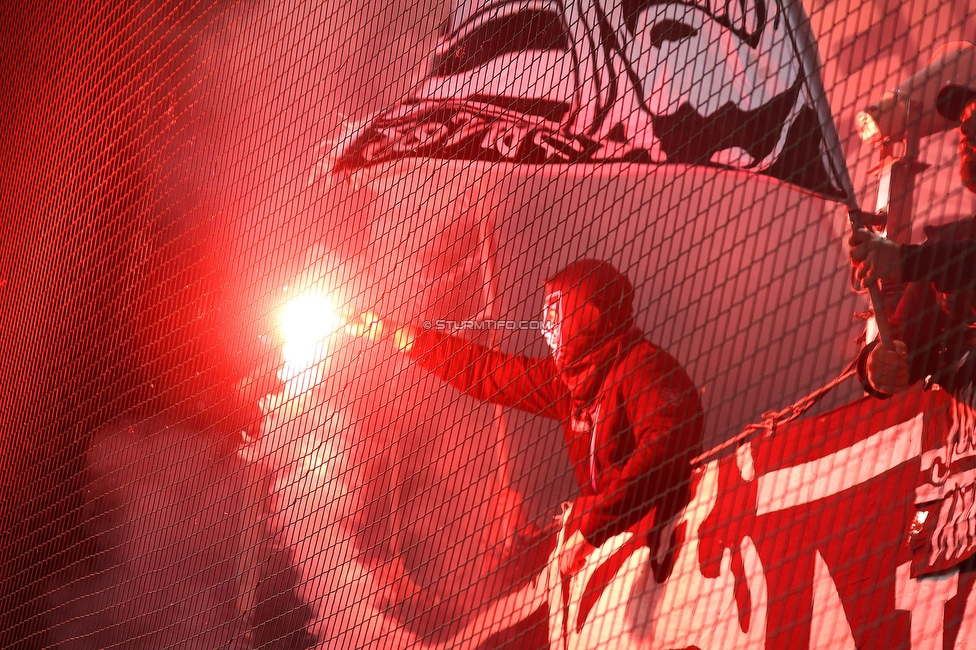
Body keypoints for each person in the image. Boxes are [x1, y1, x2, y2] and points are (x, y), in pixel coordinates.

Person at [347, 259, 704, 576]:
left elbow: (664, 448)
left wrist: (592, 528)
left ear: (586, 319)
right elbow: (486, 372)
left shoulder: (645, 368)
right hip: (621, 552)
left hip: (673, 554)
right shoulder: (568, 383)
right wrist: (397, 334)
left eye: (554, 317)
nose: (546, 331)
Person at [850, 98, 976, 399]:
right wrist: (876, 368)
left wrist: (905, 260)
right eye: (963, 118)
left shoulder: (942, 255)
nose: (964, 129)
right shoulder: (949, 243)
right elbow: (901, 341)